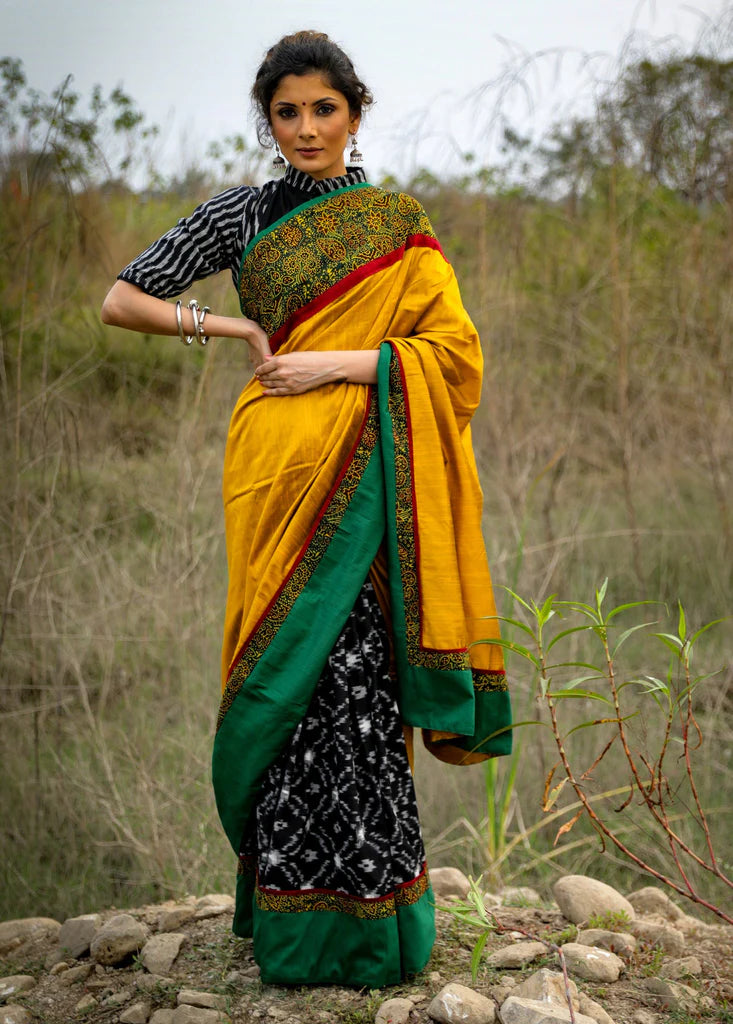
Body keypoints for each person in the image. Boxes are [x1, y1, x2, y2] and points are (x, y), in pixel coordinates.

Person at [101, 30, 512, 989]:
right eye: (287, 111)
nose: (306, 127)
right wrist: (234, 324)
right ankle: (291, 943)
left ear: (354, 114)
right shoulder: (238, 218)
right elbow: (123, 298)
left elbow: (453, 361)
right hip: (275, 474)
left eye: (324, 108)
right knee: (286, 697)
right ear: (269, 120)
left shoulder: (396, 225)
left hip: (370, 479)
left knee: (359, 692)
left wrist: (333, 361)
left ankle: (376, 937)